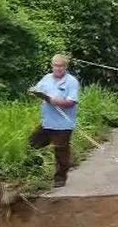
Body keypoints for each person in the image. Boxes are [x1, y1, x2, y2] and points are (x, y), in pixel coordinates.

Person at [29, 54, 80, 188]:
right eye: (56, 66)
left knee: (60, 151)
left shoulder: (71, 81)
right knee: (32, 143)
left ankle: (60, 178)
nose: (58, 68)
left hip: (64, 124)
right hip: (47, 122)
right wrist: (34, 92)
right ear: (52, 66)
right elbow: (38, 89)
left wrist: (55, 101)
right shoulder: (46, 78)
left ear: (65, 67)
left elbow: (71, 102)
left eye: (61, 66)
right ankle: (33, 171)